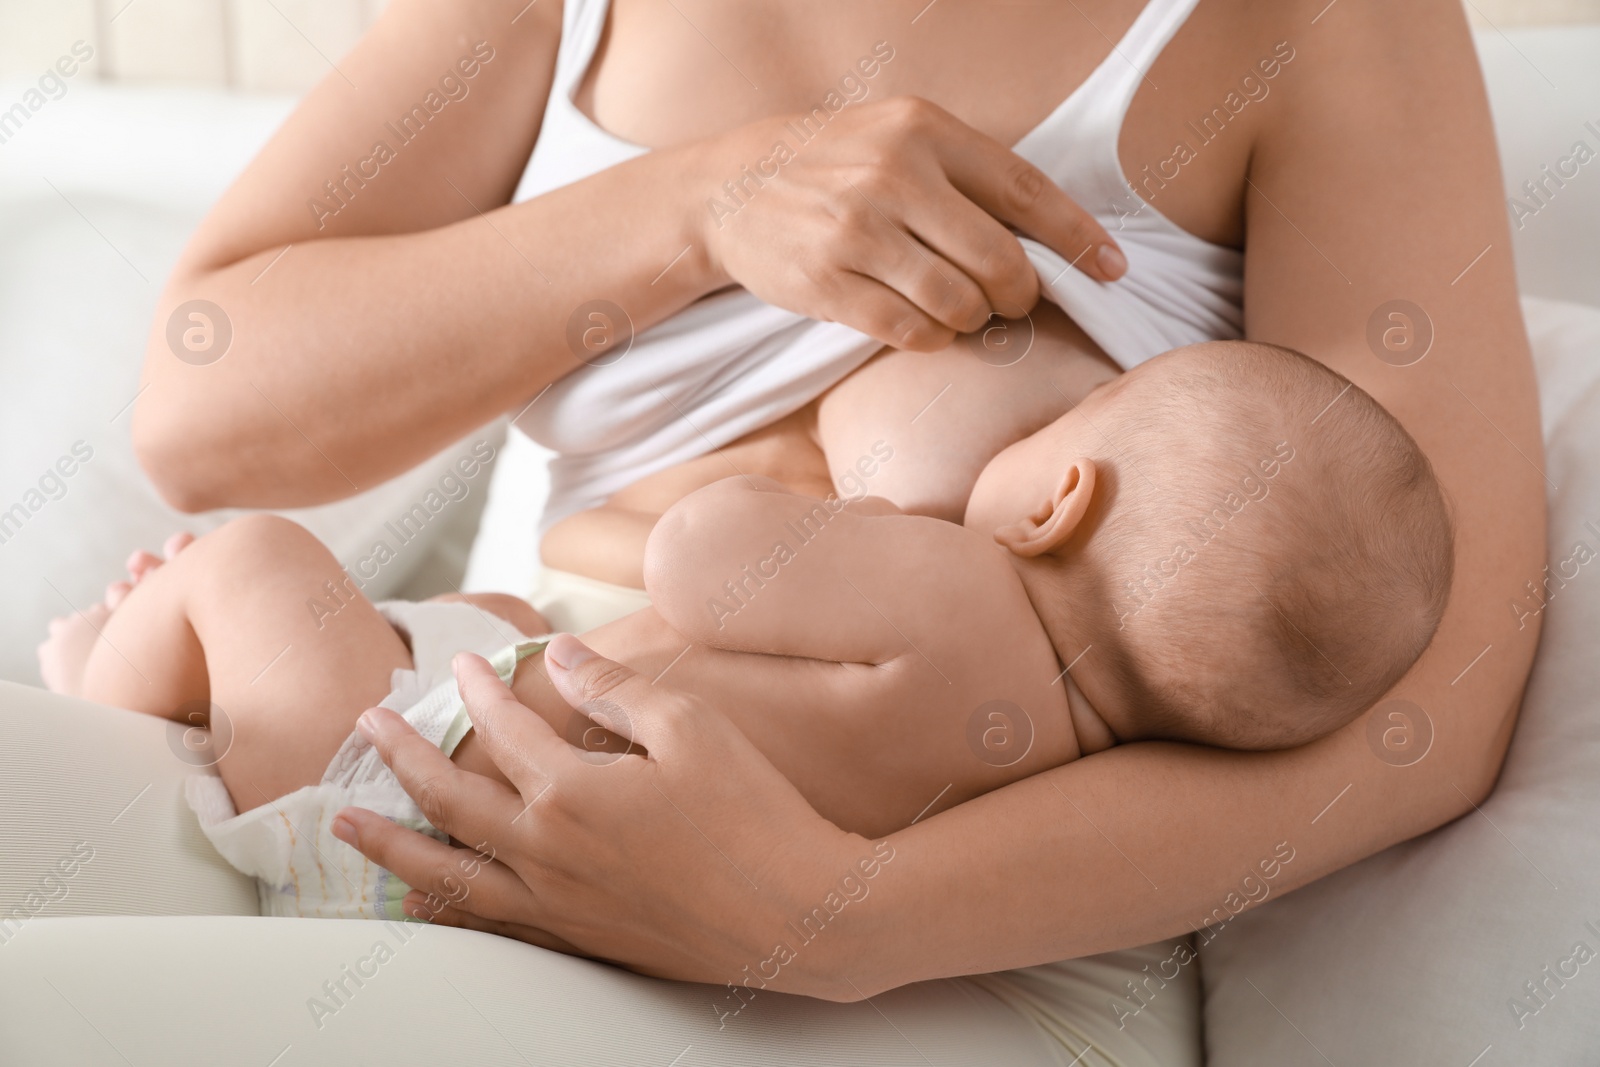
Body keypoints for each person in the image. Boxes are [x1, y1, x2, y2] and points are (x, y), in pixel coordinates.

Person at [104, 0, 1542, 1058]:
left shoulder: (1318, 26)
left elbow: (1434, 684)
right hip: (486, 714)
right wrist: (696, 209)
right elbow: (200, 411)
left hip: (969, 938)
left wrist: (845, 915)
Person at [43, 340, 1453, 922]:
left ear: (1057, 496)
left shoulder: (958, 585)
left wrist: (868, 497)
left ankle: (95, 689)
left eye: (1053, 423)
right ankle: (189, 696)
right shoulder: (1065, 762)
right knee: (508, 617)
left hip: (402, 783)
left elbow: (699, 560)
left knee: (257, 558)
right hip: (496, 840)